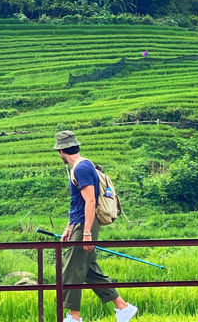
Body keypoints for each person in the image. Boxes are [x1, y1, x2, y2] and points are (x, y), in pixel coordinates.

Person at [54, 130, 138, 322]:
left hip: (86, 225)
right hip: (81, 223)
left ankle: (73, 317)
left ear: (61, 151)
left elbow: (90, 202)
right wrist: (68, 228)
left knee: (72, 268)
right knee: (90, 270)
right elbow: (78, 204)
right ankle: (123, 307)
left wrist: (85, 233)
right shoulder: (81, 167)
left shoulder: (81, 168)